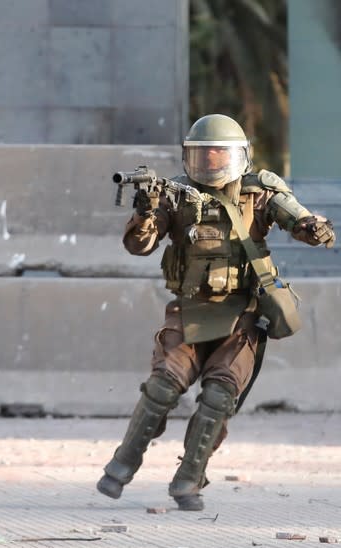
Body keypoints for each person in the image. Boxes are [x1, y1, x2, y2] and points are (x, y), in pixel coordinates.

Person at [96, 113, 335, 511]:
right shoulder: (175, 193)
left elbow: (298, 219)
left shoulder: (260, 190)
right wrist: (144, 213)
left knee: (219, 395)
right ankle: (122, 465)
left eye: (219, 156)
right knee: (162, 386)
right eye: (202, 156)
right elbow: (139, 246)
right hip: (189, 312)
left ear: (241, 156)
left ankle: (188, 480)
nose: (211, 164)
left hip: (242, 315)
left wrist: (313, 227)